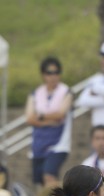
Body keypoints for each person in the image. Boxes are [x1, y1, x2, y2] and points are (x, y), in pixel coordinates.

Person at [25, 57, 72, 187]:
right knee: (38, 182)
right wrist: (49, 121)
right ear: (43, 75)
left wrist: (39, 116)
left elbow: (60, 114)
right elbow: (29, 118)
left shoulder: (66, 91)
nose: (53, 76)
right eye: (49, 73)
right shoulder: (36, 93)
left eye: (56, 72)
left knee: (49, 175)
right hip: (38, 143)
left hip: (59, 144)